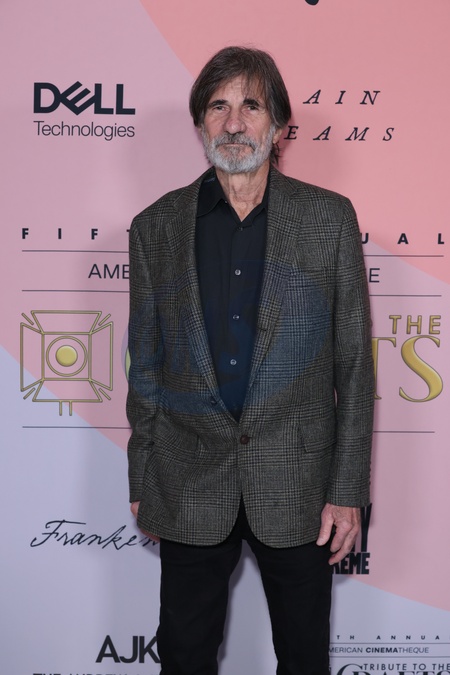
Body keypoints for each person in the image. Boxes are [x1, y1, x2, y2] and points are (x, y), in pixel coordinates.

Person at [127, 46, 374, 675]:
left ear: (280, 125)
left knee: (304, 658)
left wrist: (347, 490)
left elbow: (354, 365)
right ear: (199, 123)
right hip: (186, 480)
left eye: (251, 105)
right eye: (218, 106)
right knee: (183, 658)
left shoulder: (328, 219)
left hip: (300, 488)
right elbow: (146, 363)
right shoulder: (155, 227)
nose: (234, 122)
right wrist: (140, 477)